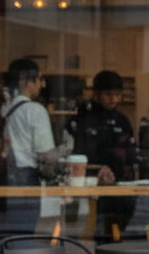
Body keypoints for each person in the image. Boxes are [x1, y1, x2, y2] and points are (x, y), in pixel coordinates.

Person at [66, 70, 138, 238]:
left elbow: (130, 154)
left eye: (117, 94)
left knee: (115, 236)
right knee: (89, 236)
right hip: (88, 187)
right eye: (108, 94)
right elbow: (74, 154)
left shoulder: (123, 120)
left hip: (117, 188)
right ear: (96, 94)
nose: (113, 99)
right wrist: (96, 170)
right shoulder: (82, 118)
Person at [1, 58, 57, 236]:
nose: (42, 84)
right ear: (25, 79)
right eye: (39, 79)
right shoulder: (35, 110)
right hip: (25, 181)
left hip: (3, 180)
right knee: (21, 239)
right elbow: (47, 156)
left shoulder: (3, 109)